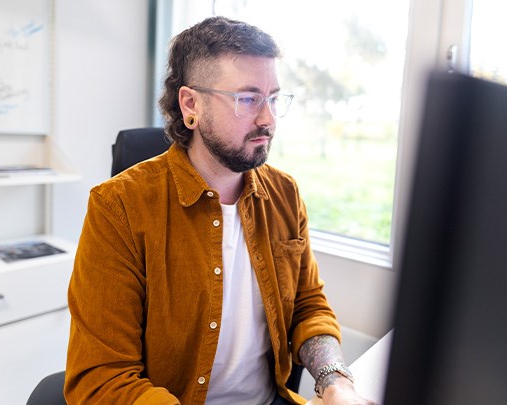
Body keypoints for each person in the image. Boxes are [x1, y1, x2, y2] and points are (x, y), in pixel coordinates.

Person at [65, 16, 376, 405]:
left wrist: (335, 382)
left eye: (274, 98)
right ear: (191, 104)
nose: (268, 118)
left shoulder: (284, 194)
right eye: (247, 99)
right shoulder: (118, 208)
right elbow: (100, 378)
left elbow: (308, 306)